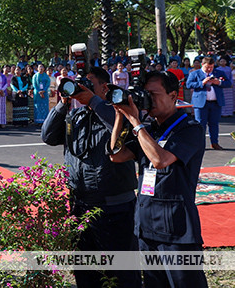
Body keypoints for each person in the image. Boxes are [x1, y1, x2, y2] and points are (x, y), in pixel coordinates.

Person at [41, 66, 140, 288]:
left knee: (121, 274)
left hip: (115, 209)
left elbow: (124, 129)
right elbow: (48, 136)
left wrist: (94, 101)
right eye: (79, 84)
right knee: (86, 273)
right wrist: (63, 103)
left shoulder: (119, 113)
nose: (81, 89)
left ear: (105, 87)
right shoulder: (75, 115)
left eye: (88, 84)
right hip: (80, 207)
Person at [109, 71, 207, 288]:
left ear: (173, 95)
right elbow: (116, 155)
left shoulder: (190, 128)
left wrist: (135, 122)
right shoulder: (149, 129)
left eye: (154, 94)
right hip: (146, 225)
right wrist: (120, 116)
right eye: (146, 94)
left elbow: (160, 159)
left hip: (176, 230)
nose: (149, 100)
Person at [186, 57, 231, 150]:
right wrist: (202, 83)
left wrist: (219, 82)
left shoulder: (219, 73)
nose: (210, 69)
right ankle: (199, 144)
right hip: (201, 103)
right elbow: (188, 84)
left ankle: (214, 142)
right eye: (207, 67)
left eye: (211, 67)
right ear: (202, 65)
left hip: (216, 102)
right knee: (200, 124)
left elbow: (228, 83)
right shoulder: (195, 73)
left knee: (214, 124)